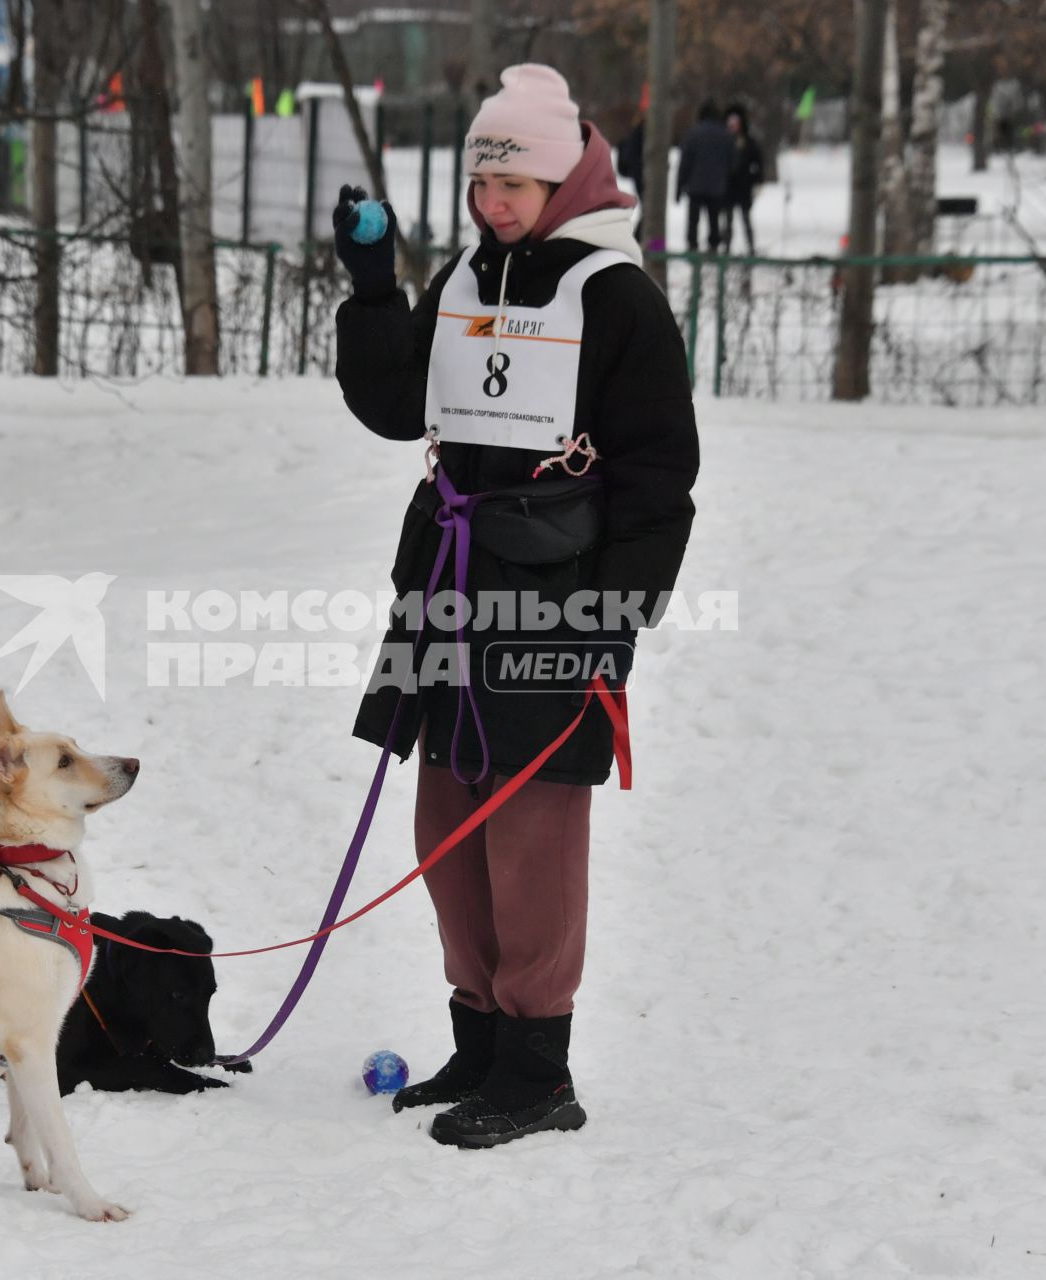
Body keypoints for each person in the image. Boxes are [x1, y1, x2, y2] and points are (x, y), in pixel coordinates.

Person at [329, 64, 700, 1148]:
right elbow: (403, 408)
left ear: (567, 177)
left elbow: (658, 470)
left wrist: (611, 618)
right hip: (447, 583)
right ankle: (483, 1037)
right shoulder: (466, 276)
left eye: (517, 182)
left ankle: (539, 1067)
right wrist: (371, 286)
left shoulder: (618, 295)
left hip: (555, 593)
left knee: (530, 832)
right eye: (482, 181)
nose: (494, 202)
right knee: (446, 819)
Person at [675, 101, 734, 253]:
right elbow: (732, 162)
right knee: (713, 217)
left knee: (693, 218)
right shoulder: (725, 135)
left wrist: (679, 186)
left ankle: (692, 244)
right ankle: (713, 244)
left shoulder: (693, 133)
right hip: (717, 186)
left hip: (695, 185)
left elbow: (685, 162)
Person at [723, 103, 765, 254]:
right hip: (729, 188)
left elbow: (758, 162)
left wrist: (757, 181)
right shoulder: (725, 141)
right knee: (727, 221)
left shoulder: (749, 142)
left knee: (746, 219)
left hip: (744, 187)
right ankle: (726, 247)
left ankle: (751, 246)